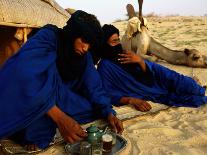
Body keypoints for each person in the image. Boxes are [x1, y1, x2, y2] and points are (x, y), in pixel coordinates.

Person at [0, 11, 123, 151]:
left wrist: (108, 112)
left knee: (94, 109)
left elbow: (94, 87)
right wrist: (60, 118)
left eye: (89, 44)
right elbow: (24, 74)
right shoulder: (48, 37)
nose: (85, 48)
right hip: (35, 95)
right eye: (83, 40)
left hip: (63, 98)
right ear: (73, 33)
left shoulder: (84, 56)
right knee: (34, 123)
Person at [97, 24, 207, 112]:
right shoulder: (105, 66)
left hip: (158, 76)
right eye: (114, 41)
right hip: (149, 89)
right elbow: (108, 93)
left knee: (195, 89)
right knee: (194, 97)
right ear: (105, 44)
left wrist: (140, 61)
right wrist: (131, 100)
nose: (119, 44)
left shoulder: (124, 55)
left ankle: (194, 84)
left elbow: (147, 76)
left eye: (118, 40)